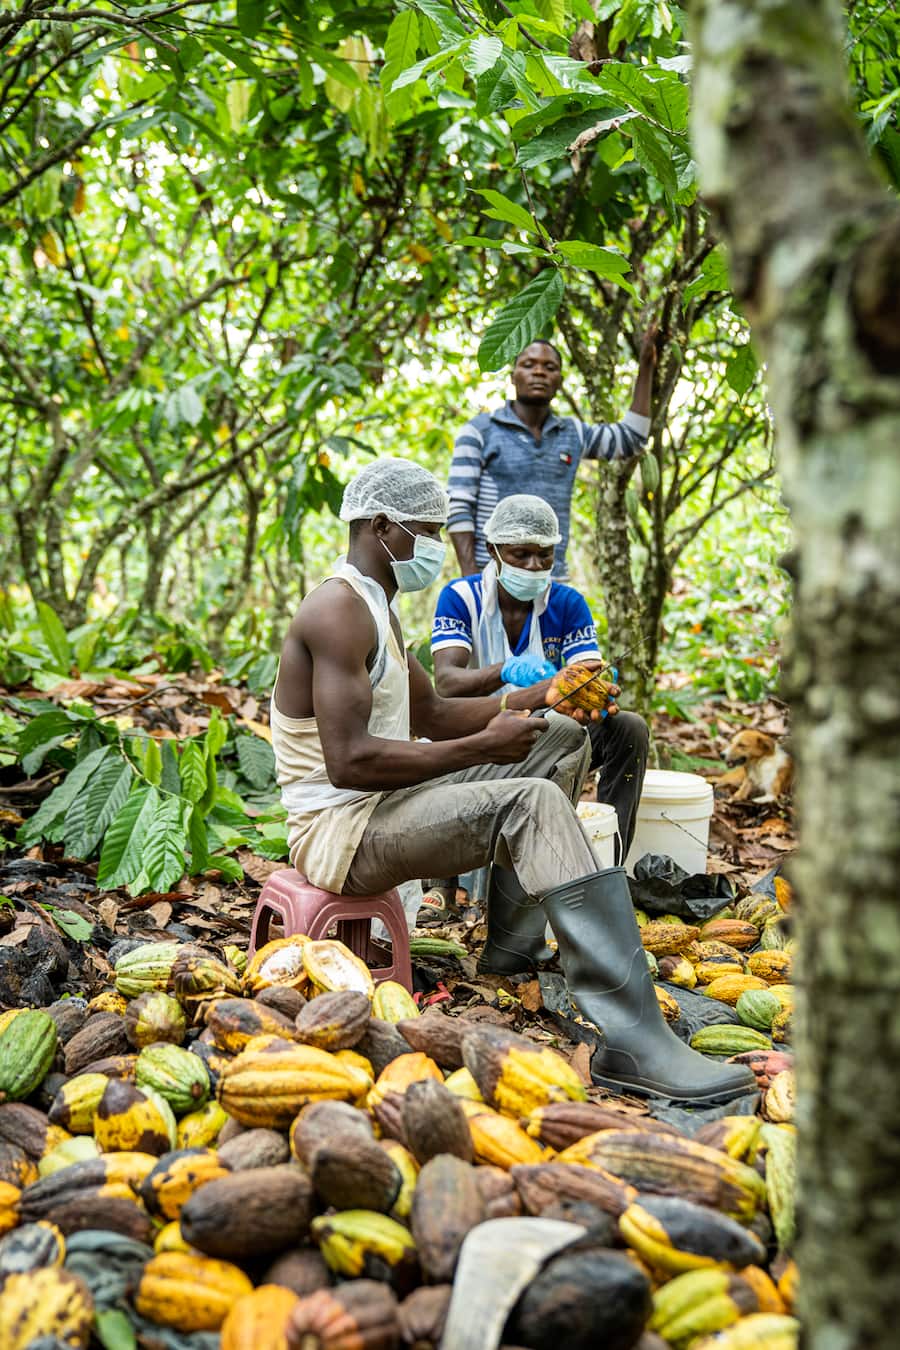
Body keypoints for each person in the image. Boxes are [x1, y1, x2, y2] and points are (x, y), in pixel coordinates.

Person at [270, 457, 753, 1106]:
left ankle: (513, 947)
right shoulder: (338, 610)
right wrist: (481, 744)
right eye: (427, 530)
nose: (438, 547)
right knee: (531, 801)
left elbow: (435, 715)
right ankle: (632, 1037)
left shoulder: (376, 608)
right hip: (341, 832)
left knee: (557, 735)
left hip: (387, 806)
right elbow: (350, 763)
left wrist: (536, 699)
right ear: (382, 525)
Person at [425, 494, 649, 926]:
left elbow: (582, 676)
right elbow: (448, 683)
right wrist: (509, 671)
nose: (532, 566)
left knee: (629, 729)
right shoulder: (462, 598)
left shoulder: (565, 604)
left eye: (542, 555)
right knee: (439, 741)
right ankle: (442, 884)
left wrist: (592, 693)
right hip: (478, 729)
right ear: (494, 552)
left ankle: (607, 867)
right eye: (520, 554)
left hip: (549, 725)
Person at [447, 331, 657, 578]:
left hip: (551, 579)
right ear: (513, 376)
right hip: (493, 577)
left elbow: (631, 439)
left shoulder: (573, 434)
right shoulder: (480, 431)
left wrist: (646, 365)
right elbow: (458, 507)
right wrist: (473, 578)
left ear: (560, 381)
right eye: (528, 365)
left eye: (550, 367)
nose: (539, 372)